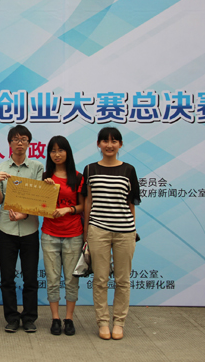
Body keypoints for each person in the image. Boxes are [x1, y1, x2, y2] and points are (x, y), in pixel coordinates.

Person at [82, 127, 140, 340]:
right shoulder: (90, 169)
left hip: (125, 232)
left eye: (114, 141)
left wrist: (132, 229)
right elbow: (88, 201)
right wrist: (86, 231)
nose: (109, 145)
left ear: (120, 144)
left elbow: (131, 203)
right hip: (98, 230)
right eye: (105, 141)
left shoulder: (129, 170)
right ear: (98, 144)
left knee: (123, 280)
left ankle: (119, 322)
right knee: (100, 279)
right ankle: (103, 322)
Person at [0, 125, 43, 333]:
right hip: (6, 229)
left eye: (23, 139)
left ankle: (29, 318)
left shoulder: (37, 167)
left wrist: (25, 214)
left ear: (29, 142)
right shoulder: (1, 168)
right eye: (15, 139)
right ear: (10, 143)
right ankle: (12, 318)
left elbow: (39, 199)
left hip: (30, 229)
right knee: (7, 278)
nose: (19, 142)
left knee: (30, 277)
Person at [40, 136, 84, 336]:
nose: (57, 154)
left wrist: (68, 209)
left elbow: (84, 206)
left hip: (73, 234)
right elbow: (39, 205)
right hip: (49, 234)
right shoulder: (45, 177)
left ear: (68, 152)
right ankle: (55, 318)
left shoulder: (78, 177)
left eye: (60, 150)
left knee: (71, 279)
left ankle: (69, 318)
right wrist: (45, 189)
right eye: (53, 150)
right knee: (52, 279)